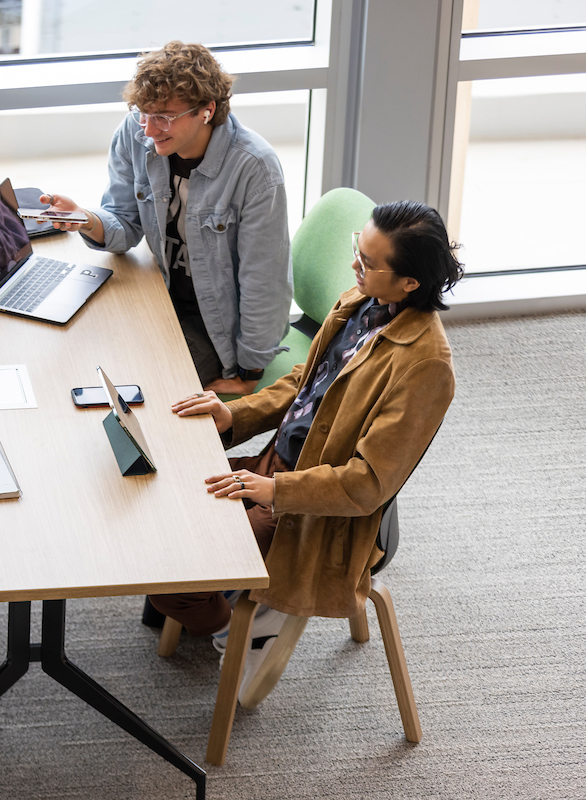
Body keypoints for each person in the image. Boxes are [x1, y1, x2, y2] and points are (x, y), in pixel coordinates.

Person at [150, 200, 463, 701]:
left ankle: (232, 623)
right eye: (356, 250)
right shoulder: (362, 301)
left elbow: (366, 484)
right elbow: (306, 380)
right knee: (156, 505)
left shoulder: (427, 367)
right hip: (277, 468)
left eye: (369, 261)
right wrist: (237, 413)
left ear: (410, 283)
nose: (355, 266)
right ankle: (221, 607)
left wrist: (275, 490)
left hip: (313, 510)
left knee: (178, 569)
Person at [40, 41, 292, 397]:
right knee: (73, 359)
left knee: (142, 392)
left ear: (207, 110)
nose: (149, 129)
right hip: (158, 296)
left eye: (164, 117)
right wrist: (85, 219)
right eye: (143, 112)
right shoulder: (134, 132)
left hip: (213, 325)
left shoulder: (254, 168)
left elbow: (264, 280)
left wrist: (249, 368)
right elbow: (124, 225)